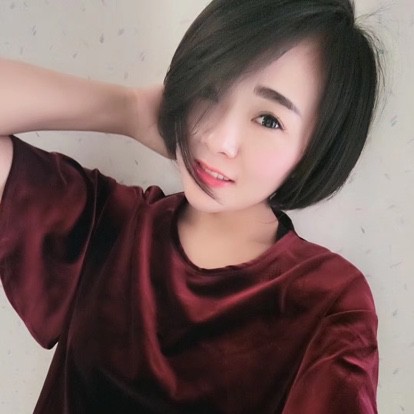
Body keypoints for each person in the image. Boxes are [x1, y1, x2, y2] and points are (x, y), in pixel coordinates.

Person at [0, 0, 381, 413]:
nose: (219, 139)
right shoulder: (105, 224)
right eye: (210, 90)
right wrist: (129, 110)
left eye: (269, 119)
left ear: (315, 147)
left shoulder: (328, 303)